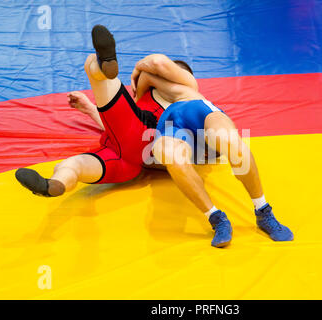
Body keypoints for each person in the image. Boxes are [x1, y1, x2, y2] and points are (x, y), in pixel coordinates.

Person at [130, 53, 294, 248]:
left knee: (230, 141)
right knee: (171, 156)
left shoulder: (187, 86)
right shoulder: (156, 93)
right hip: (172, 126)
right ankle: (216, 217)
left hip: (196, 112)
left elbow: (154, 67)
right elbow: (144, 86)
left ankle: (263, 210)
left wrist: (137, 71)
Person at [15, 25, 191, 196]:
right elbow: (123, 132)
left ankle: (102, 67)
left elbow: (158, 65)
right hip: (127, 159)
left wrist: (139, 71)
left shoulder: (183, 95)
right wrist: (91, 110)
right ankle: (53, 185)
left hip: (141, 137)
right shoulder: (167, 102)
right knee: (72, 166)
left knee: (92, 63)